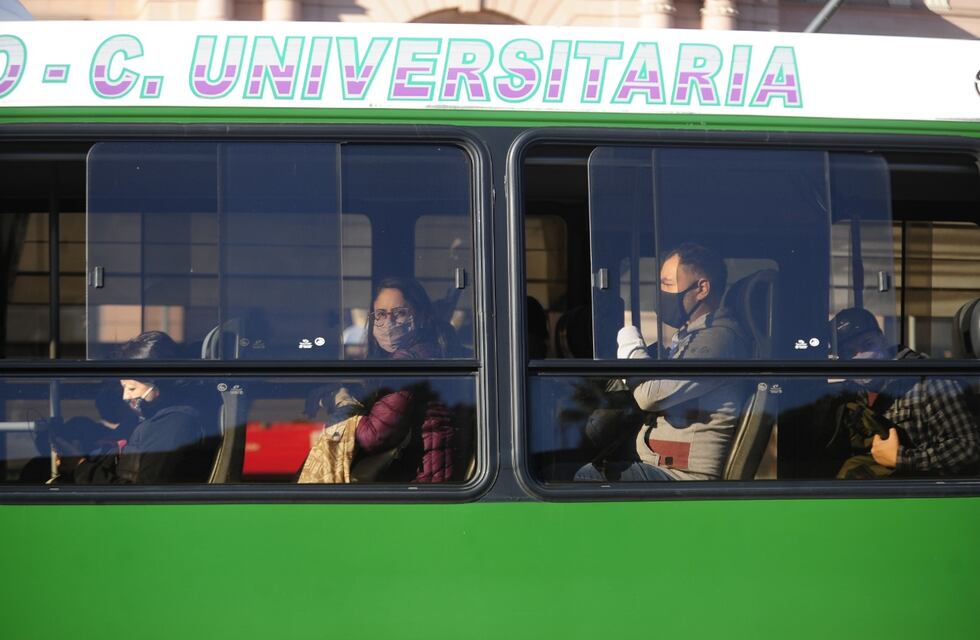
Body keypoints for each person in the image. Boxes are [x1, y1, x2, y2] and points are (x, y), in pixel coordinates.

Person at [576, 243, 749, 481]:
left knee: (588, 478)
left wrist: (627, 336)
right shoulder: (690, 337)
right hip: (659, 463)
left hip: (682, 476)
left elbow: (650, 395)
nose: (660, 294)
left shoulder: (719, 339)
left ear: (702, 289)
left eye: (667, 284)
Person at [311, 277, 457, 483]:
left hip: (420, 480)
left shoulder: (407, 362)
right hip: (427, 471)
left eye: (400, 313)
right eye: (380, 314)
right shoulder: (428, 349)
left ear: (421, 315)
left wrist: (342, 403)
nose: (388, 323)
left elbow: (373, 436)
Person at [830, 307, 980, 478]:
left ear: (882, 340)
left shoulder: (928, 382)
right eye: (849, 352)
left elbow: (968, 447)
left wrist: (901, 459)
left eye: (868, 344)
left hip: (921, 491)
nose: (861, 356)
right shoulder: (851, 394)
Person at [73, 331, 215, 484]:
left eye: (132, 388)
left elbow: (146, 492)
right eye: (123, 388)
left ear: (157, 384)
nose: (125, 396)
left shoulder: (173, 424)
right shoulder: (146, 417)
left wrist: (82, 469)